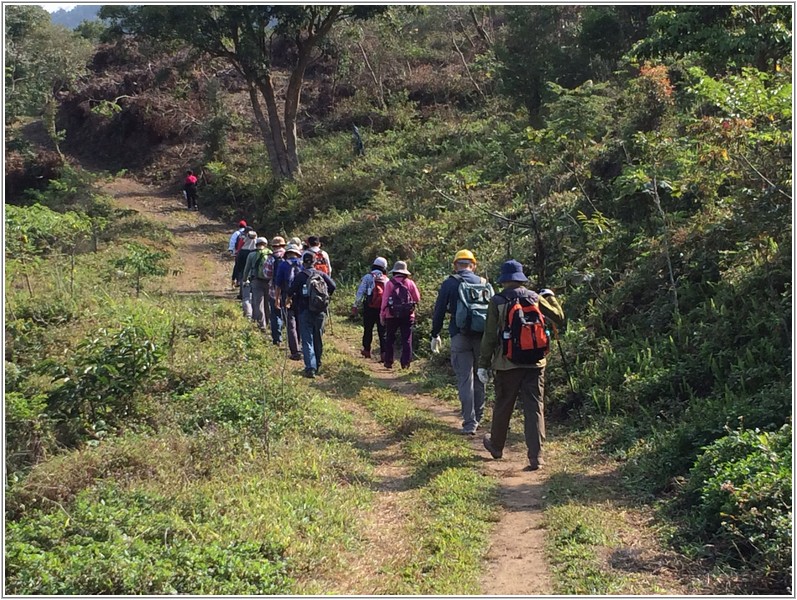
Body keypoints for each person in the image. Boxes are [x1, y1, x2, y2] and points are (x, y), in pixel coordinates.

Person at [478, 260, 565, 471]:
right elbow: (560, 318)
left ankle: (497, 446)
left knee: (503, 405)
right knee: (534, 408)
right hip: (535, 362)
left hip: (507, 363)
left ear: (504, 279)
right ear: (521, 278)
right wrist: (550, 296)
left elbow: (490, 336)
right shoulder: (535, 297)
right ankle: (536, 457)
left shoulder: (497, 301)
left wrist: (483, 364)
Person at [430, 250, 493, 435]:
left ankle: (469, 422)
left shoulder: (450, 283)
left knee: (465, 379)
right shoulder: (484, 283)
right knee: (481, 376)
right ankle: (479, 417)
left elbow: (439, 310)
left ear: (456, 265)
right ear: (473, 265)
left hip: (459, 336)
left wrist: (435, 334)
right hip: (482, 337)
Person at [288, 252, 336, 378]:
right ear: (315, 263)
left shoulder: (300, 276)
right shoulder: (321, 274)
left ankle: (310, 368)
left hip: (304, 310)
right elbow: (333, 286)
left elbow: (290, 290)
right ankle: (318, 363)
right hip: (320, 311)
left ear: (303, 263)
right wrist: (325, 297)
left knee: (307, 339)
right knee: (318, 338)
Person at [380, 261, 421, 370]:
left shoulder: (390, 283)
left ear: (395, 271)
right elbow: (417, 298)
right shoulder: (410, 283)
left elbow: (385, 300)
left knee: (390, 338)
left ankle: (388, 362)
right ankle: (405, 363)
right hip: (408, 315)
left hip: (391, 314)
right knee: (406, 338)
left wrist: (382, 314)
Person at [353, 256, 388, 362]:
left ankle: (367, 350)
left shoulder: (368, 277)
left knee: (368, 328)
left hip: (369, 307)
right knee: (382, 331)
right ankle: (384, 353)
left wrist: (355, 305)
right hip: (382, 308)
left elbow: (360, 292)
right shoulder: (386, 279)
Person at [274, 243, 304, 360]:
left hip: (287, 297)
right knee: (300, 321)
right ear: (297, 254)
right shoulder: (302, 265)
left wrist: (277, 299)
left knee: (290, 324)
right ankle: (300, 346)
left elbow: (278, 284)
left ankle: (295, 351)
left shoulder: (283, 265)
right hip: (301, 297)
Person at [243, 236, 272, 332]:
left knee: (258, 303)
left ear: (256, 244)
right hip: (269, 281)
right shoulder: (270, 253)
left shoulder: (251, 255)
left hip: (256, 281)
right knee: (268, 302)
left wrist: (244, 279)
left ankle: (261, 325)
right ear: (266, 244)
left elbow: (246, 268)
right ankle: (269, 323)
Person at [263, 236, 287, 345]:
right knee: (290, 315)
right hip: (289, 291)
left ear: (273, 246)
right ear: (283, 245)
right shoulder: (290, 255)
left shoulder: (271, 258)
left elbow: (267, 274)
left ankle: (277, 339)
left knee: (275, 314)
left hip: (274, 290)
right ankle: (293, 338)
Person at [233, 228, 257, 299]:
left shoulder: (243, 247)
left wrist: (235, 274)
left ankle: (242, 294)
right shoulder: (256, 250)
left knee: (242, 276)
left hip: (243, 261)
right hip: (253, 269)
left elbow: (237, 264)